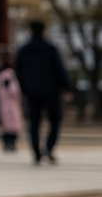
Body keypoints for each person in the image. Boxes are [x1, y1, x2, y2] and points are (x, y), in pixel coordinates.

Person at [15, 20, 72, 166]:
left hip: (31, 91)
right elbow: (59, 70)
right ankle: (48, 147)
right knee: (55, 120)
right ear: (44, 31)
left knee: (34, 122)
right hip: (51, 91)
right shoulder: (51, 49)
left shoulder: (23, 50)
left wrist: (22, 89)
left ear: (30, 30)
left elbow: (18, 72)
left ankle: (36, 152)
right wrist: (67, 88)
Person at [0, 61, 23, 152]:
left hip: (2, 104)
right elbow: (15, 91)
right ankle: (12, 144)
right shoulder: (12, 77)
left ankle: (6, 144)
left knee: (5, 126)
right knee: (14, 125)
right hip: (13, 104)